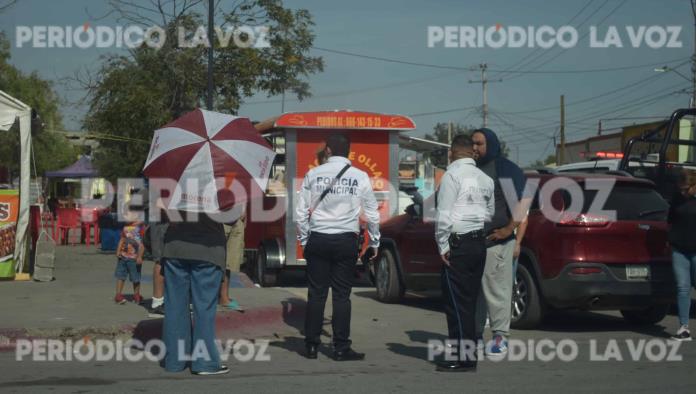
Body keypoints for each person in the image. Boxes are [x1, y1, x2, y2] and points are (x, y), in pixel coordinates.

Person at [295, 133, 380, 361]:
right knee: (342, 296)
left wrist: (305, 240)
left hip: (318, 239)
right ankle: (341, 347)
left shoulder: (313, 174)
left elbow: (300, 212)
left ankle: (311, 345)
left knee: (316, 294)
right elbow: (372, 214)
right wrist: (374, 242)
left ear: (329, 150)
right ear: (348, 152)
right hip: (345, 241)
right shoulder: (360, 176)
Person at [434, 134, 494, 372]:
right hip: (478, 243)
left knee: (456, 304)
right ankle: (468, 356)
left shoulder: (452, 176)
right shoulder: (485, 178)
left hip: (458, 246)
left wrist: (442, 246)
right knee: (468, 301)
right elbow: (489, 212)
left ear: (452, 152)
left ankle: (463, 359)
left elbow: (443, 215)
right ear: (471, 152)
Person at [471, 128, 531, 357]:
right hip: (473, 243)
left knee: (498, 292)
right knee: (475, 293)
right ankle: (474, 337)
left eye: (479, 143)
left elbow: (523, 201)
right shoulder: (471, 169)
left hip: (496, 243)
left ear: (492, 144)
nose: (475, 148)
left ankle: (499, 339)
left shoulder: (503, 167)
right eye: (473, 143)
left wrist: (508, 230)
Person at [161, 211, 229, 375]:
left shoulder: (171, 185)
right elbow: (232, 218)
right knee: (204, 308)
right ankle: (204, 362)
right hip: (208, 249)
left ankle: (174, 361)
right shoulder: (220, 186)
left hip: (174, 248)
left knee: (174, 307)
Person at [668, 169, 696, 341]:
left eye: (686, 189)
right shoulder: (677, 199)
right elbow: (670, 220)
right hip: (679, 249)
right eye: (681, 189)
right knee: (683, 288)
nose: (683, 192)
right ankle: (683, 328)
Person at [219, 204, 245, 311]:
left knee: (229, 262)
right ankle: (209, 297)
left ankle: (224, 298)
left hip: (236, 221)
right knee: (213, 261)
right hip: (218, 220)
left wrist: (243, 214)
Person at [114, 218, 145, 305]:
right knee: (120, 276)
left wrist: (140, 256)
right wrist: (118, 251)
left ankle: (136, 295)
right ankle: (118, 295)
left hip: (135, 258)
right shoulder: (126, 228)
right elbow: (122, 240)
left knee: (136, 277)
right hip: (123, 257)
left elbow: (142, 244)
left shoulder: (141, 229)